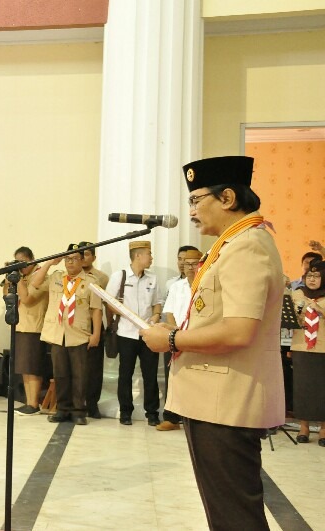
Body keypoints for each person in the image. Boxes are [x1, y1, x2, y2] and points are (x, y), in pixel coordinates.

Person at [140, 155, 285, 531]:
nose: (190, 210)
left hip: (228, 402)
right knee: (226, 513)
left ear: (227, 198)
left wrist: (170, 338)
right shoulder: (232, 244)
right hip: (215, 399)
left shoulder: (247, 246)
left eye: (195, 199)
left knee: (235, 516)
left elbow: (239, 331)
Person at [29, 244, 102, 425]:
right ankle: (62, 409)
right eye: (68, 259)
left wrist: (96, 334)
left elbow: (96, 310)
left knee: (79, 375)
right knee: (60, 373)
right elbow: (35, 283)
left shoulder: (91, 282)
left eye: (75, 258)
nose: (71, 262)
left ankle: (78, 411)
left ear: (82, 261)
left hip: (78, 334)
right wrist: (49, 263)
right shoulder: (55, 277)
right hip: (57, 333)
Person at [106, 241, 162, 426]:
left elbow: (157, 303)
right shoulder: (119, 276)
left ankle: (152, 413)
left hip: (148, 334)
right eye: (149, 254)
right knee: (125, 374)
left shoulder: (153, 278)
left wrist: (154, 318)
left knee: (150, 374)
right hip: (126, 334)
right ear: (138, 256)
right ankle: (125, 412)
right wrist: (122, 312)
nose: (151, 258)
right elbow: (109, 303)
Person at [155, 248, 203, 431]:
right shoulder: (177, 286)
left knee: (197, 379)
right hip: (177, 338)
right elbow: (170, 312)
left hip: (198, 338)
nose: (190, 267)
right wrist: (177, 334)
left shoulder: (207, 286)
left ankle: (195, 418)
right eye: (187, 263)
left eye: (194, 263)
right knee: (173, 378)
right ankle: (171, 418)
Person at [6, 246, 49, 416]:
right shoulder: (21, 277)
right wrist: (9, 277)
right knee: (24, 367)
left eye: (23, 262)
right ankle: (29, 402)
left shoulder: (40, 276)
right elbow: (7, 296)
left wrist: (19, 281)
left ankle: (34, 403)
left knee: (33, 367)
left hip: (34, 327)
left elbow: (27, 299)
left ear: (32, 260)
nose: (21, 266)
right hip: (20, 325)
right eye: (17, 262)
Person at [290, 258, 325, 446]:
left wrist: (320, 310)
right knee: (302, 388)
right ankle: (303, 427)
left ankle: (323, 429)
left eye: (317, 276)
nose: (312, 279)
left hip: (323, 348)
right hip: (301, 346)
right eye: (309, 276)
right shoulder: (298, 294)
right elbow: (291, 317)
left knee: (323, 389)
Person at [78, 241, 108, 418]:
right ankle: (76, 404)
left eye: (87, 254)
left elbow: (104, 303)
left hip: (94, 324)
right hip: (75, 325)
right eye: (80, 254)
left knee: (94, 368)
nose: (83, 258)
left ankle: (92, 404)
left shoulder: (101, 278)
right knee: (76, 367)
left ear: (94, 257)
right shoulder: (69, 275)